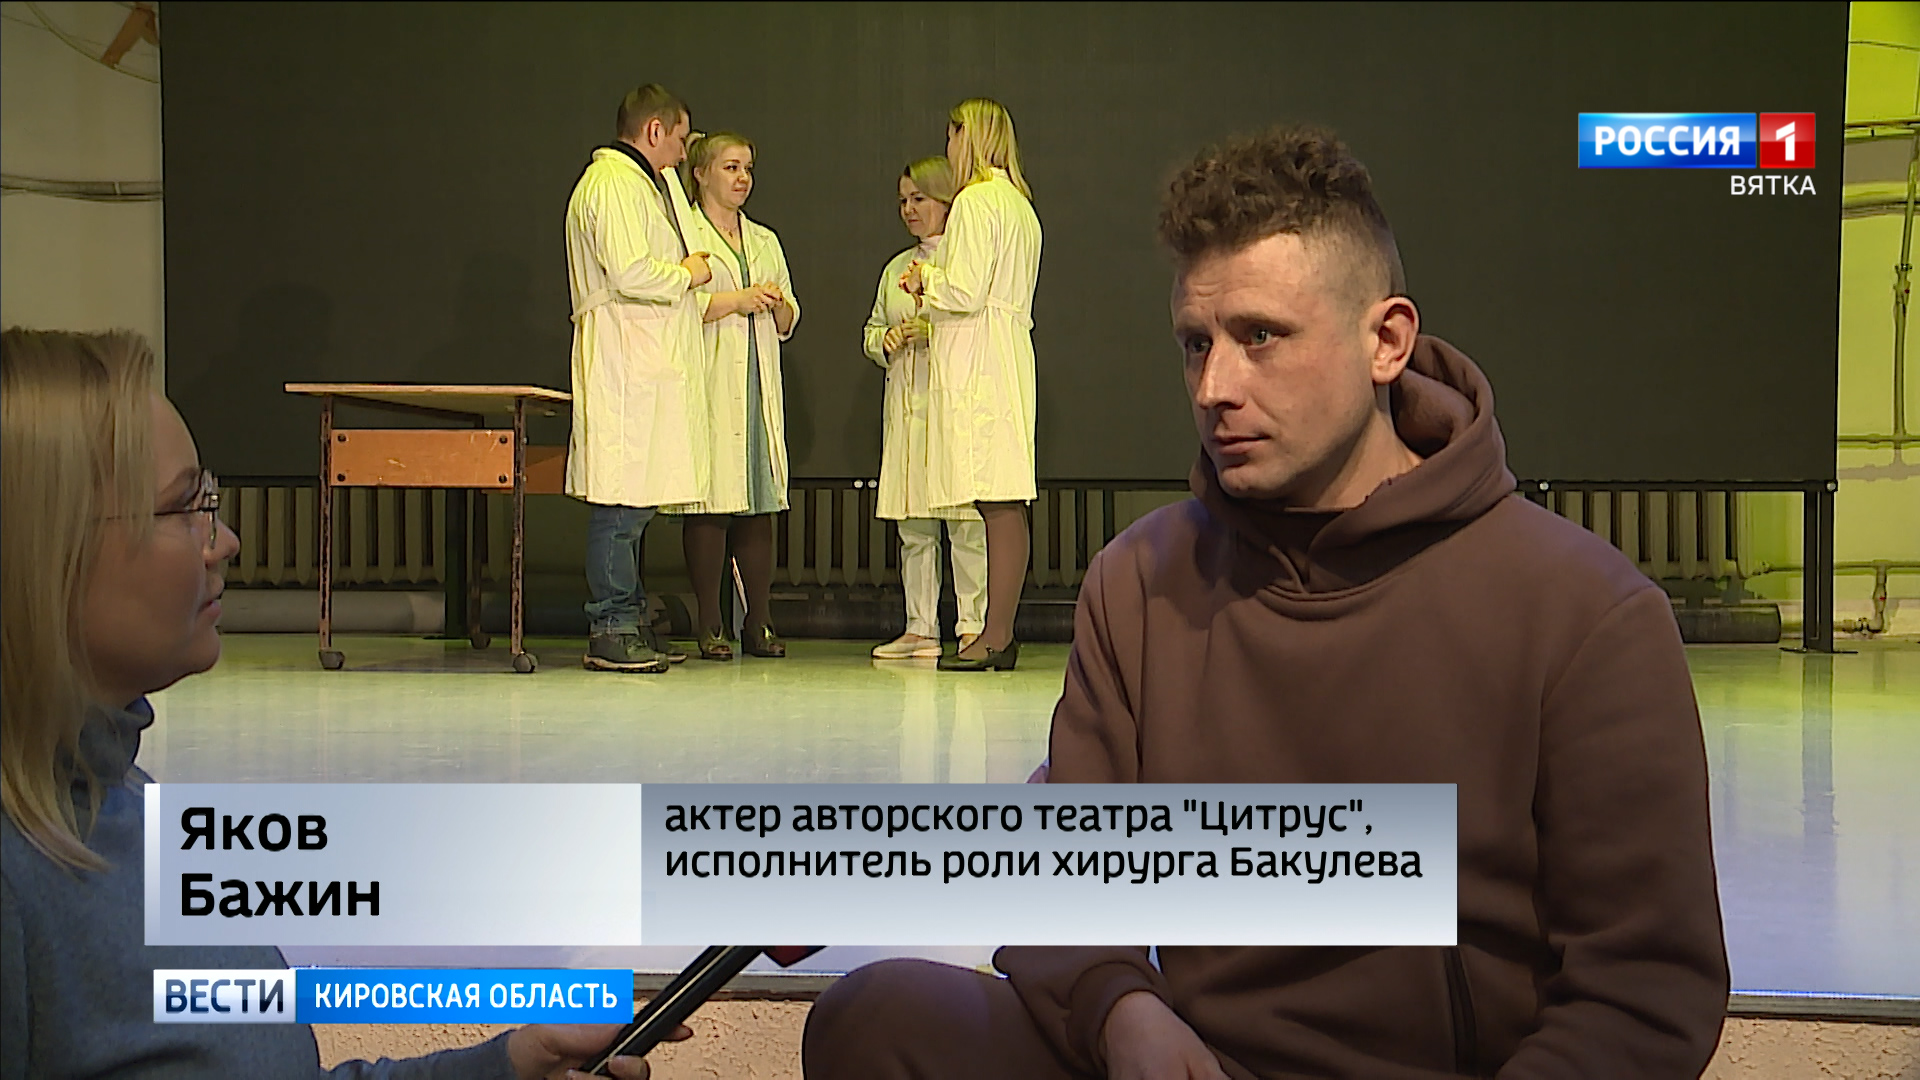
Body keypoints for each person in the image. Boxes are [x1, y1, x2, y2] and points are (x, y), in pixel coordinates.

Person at [804, 127, 1728, 1077]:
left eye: (1261, 338)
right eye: (1195, 344)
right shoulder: (1140, 581)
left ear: (1386, 340)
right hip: (1201, 1062)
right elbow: (1061, 859)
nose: (1215, 387)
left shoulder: (1584, 611)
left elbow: (1642, 994)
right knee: (881, 1019)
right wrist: (1122, 1009)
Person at [0, 329, 681, 1079]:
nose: (224, 540)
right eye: (185, 507)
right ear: (44, 550)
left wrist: (510, 1066)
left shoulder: (118, 799)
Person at [565, 83, 712, 674]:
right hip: (623, 356)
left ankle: (630, 618)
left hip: (644, 355)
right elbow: (629, 271)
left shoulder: (644, 184)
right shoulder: (612, 184)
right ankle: (611, 625)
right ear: (655, 131)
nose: (683, 152)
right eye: (680, 138)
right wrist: (685, 273)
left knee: (636, 502)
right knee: (619, 505)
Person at [900, 98, 1041, 671]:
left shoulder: (977, 202)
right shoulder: (1020, 206)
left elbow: (963, 290)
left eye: (952, 136)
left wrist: (924, 278)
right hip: (1005, 353)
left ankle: (995, 634)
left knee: (997, 497)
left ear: (967, 137)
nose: (949, 147)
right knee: (1001, 495)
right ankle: (995, 632)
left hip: (982, 358)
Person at [673, 131, 800, 660]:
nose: (742, 178)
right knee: (710, 503)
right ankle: (710, 623)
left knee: (758, 503)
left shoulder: (764, 239)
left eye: (747, 168)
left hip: (756, 381)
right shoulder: (685, 234)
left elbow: (790, 318)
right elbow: (679, 305)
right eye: (730, 167)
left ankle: (758, 621)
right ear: (701, 173)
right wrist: (737, 300)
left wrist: (777, 305)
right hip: (710, 378)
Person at [865, 157, 988, 661]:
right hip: (907, 403)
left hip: (951, 403)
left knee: (964, 521)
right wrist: (885, 339)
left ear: (945, 200)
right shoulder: (896, 268)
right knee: (914, 523)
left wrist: (933, 331)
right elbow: (873, 327)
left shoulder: (962, 261)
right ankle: (920, 626)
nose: (909, 210)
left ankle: (972, 625)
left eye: (919, 199)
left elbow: (976, 322)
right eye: (902, 201)